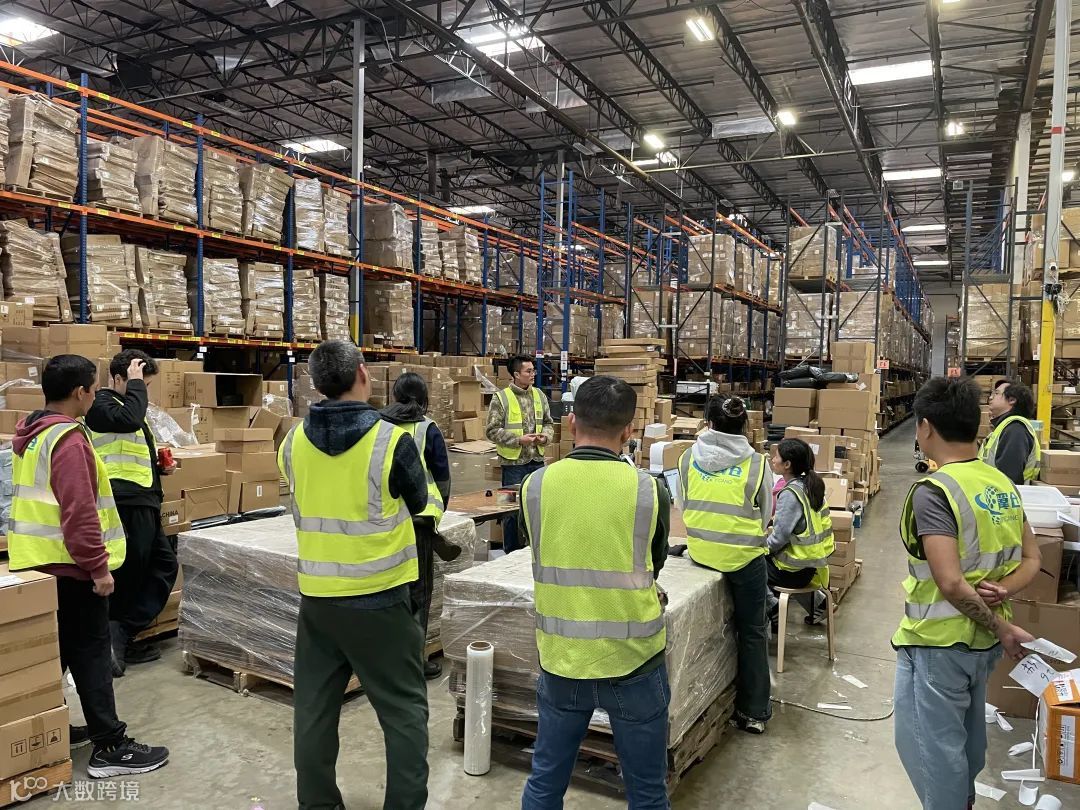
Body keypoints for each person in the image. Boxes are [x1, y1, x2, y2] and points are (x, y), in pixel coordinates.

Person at [278, 340, 430, 810]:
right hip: (380, 600)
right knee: (403, 710)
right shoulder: (391, 441)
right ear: (363, 374)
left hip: (318, 601)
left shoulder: (292, 442)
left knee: (313, 710)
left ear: (316, 383)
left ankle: (318, 803)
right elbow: (421, 502)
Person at [8, 354, 169, 777]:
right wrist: (98, 569)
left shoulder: (33, 433)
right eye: (93, 389)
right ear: (80, 392)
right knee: (93, 654)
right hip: (72, 565)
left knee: (60, 652)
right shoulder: (67, 439)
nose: (95, 396)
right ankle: (109, 746)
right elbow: (78, 512)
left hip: (39, 563)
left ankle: (48, 725)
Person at [519, 375, 671, 810]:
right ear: (628, 432)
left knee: (545, 781)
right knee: (647, 791)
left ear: (571, 423)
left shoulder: (535, 486)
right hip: (633, 660)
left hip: (562, 659)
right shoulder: (650, 490)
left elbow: (540, 548)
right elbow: (653, 563)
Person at [893, 377, 1042, 810]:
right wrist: (1002, 596)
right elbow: (1032, 558)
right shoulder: (999, 483)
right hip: (982, 645)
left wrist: (1000, 625)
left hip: (938, 642)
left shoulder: (935, 491)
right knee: (966, 738)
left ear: (925, 427)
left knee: (932, 753)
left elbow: (951, 582)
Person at [677, 394, 774, 735]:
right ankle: (754, 711)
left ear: (708, 423)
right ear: (745, 426)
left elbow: (683, 503)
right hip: (743, 558)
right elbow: (766, 512)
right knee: (753, 630)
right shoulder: (758, 464)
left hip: (701, 552)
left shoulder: (687, 458)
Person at [84, 349, 178, 676]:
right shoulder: (100, 405)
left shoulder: (128, 407)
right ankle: (113, 638)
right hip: (122, 502)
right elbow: (128, 422)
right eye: (141, 383)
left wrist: (158, 468)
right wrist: (136, 384)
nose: (144, 391)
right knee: (129, 572)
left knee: (163, 565)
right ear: (118, 378)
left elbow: (129, 444)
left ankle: (122, 631)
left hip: (142, 500)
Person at [381, 371, 460, 680]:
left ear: (394, 395)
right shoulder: (427, 429)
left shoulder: (377, 425)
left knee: (388, 588)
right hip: (418, 523)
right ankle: (414, 662)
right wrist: (437, 512)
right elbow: (442, 479)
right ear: (425, 398)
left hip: (385, 521)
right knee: (419, 593)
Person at [485, 355, 554, 552]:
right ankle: (511, 552)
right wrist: (518, 440)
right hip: (512, 464)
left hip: (536, 461)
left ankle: (535, 551)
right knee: (510, 511)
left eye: (533, 370)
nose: (533, 374)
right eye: (528, 371)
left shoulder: (539, 396)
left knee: (537, 508)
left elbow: (548, 423)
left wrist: (545, 437)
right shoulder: (501, 398)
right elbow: (492, 431)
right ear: (516, 374)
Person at [765, 438, 835, 627]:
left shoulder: (790, 494)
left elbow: (778, 539)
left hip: (792, 570)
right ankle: (819, 603)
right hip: (810, 566)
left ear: (787, 464)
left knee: (749, 566)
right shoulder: (810, 487)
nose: (772, 459)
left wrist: (759, 548)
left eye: (776, 456)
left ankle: (772, 607)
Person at [981, 378, 1041, 485]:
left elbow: (1009, 478)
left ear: (1012, 400)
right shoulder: (1004, 428)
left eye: (996, 393)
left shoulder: (1015, 430)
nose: (990, 397)